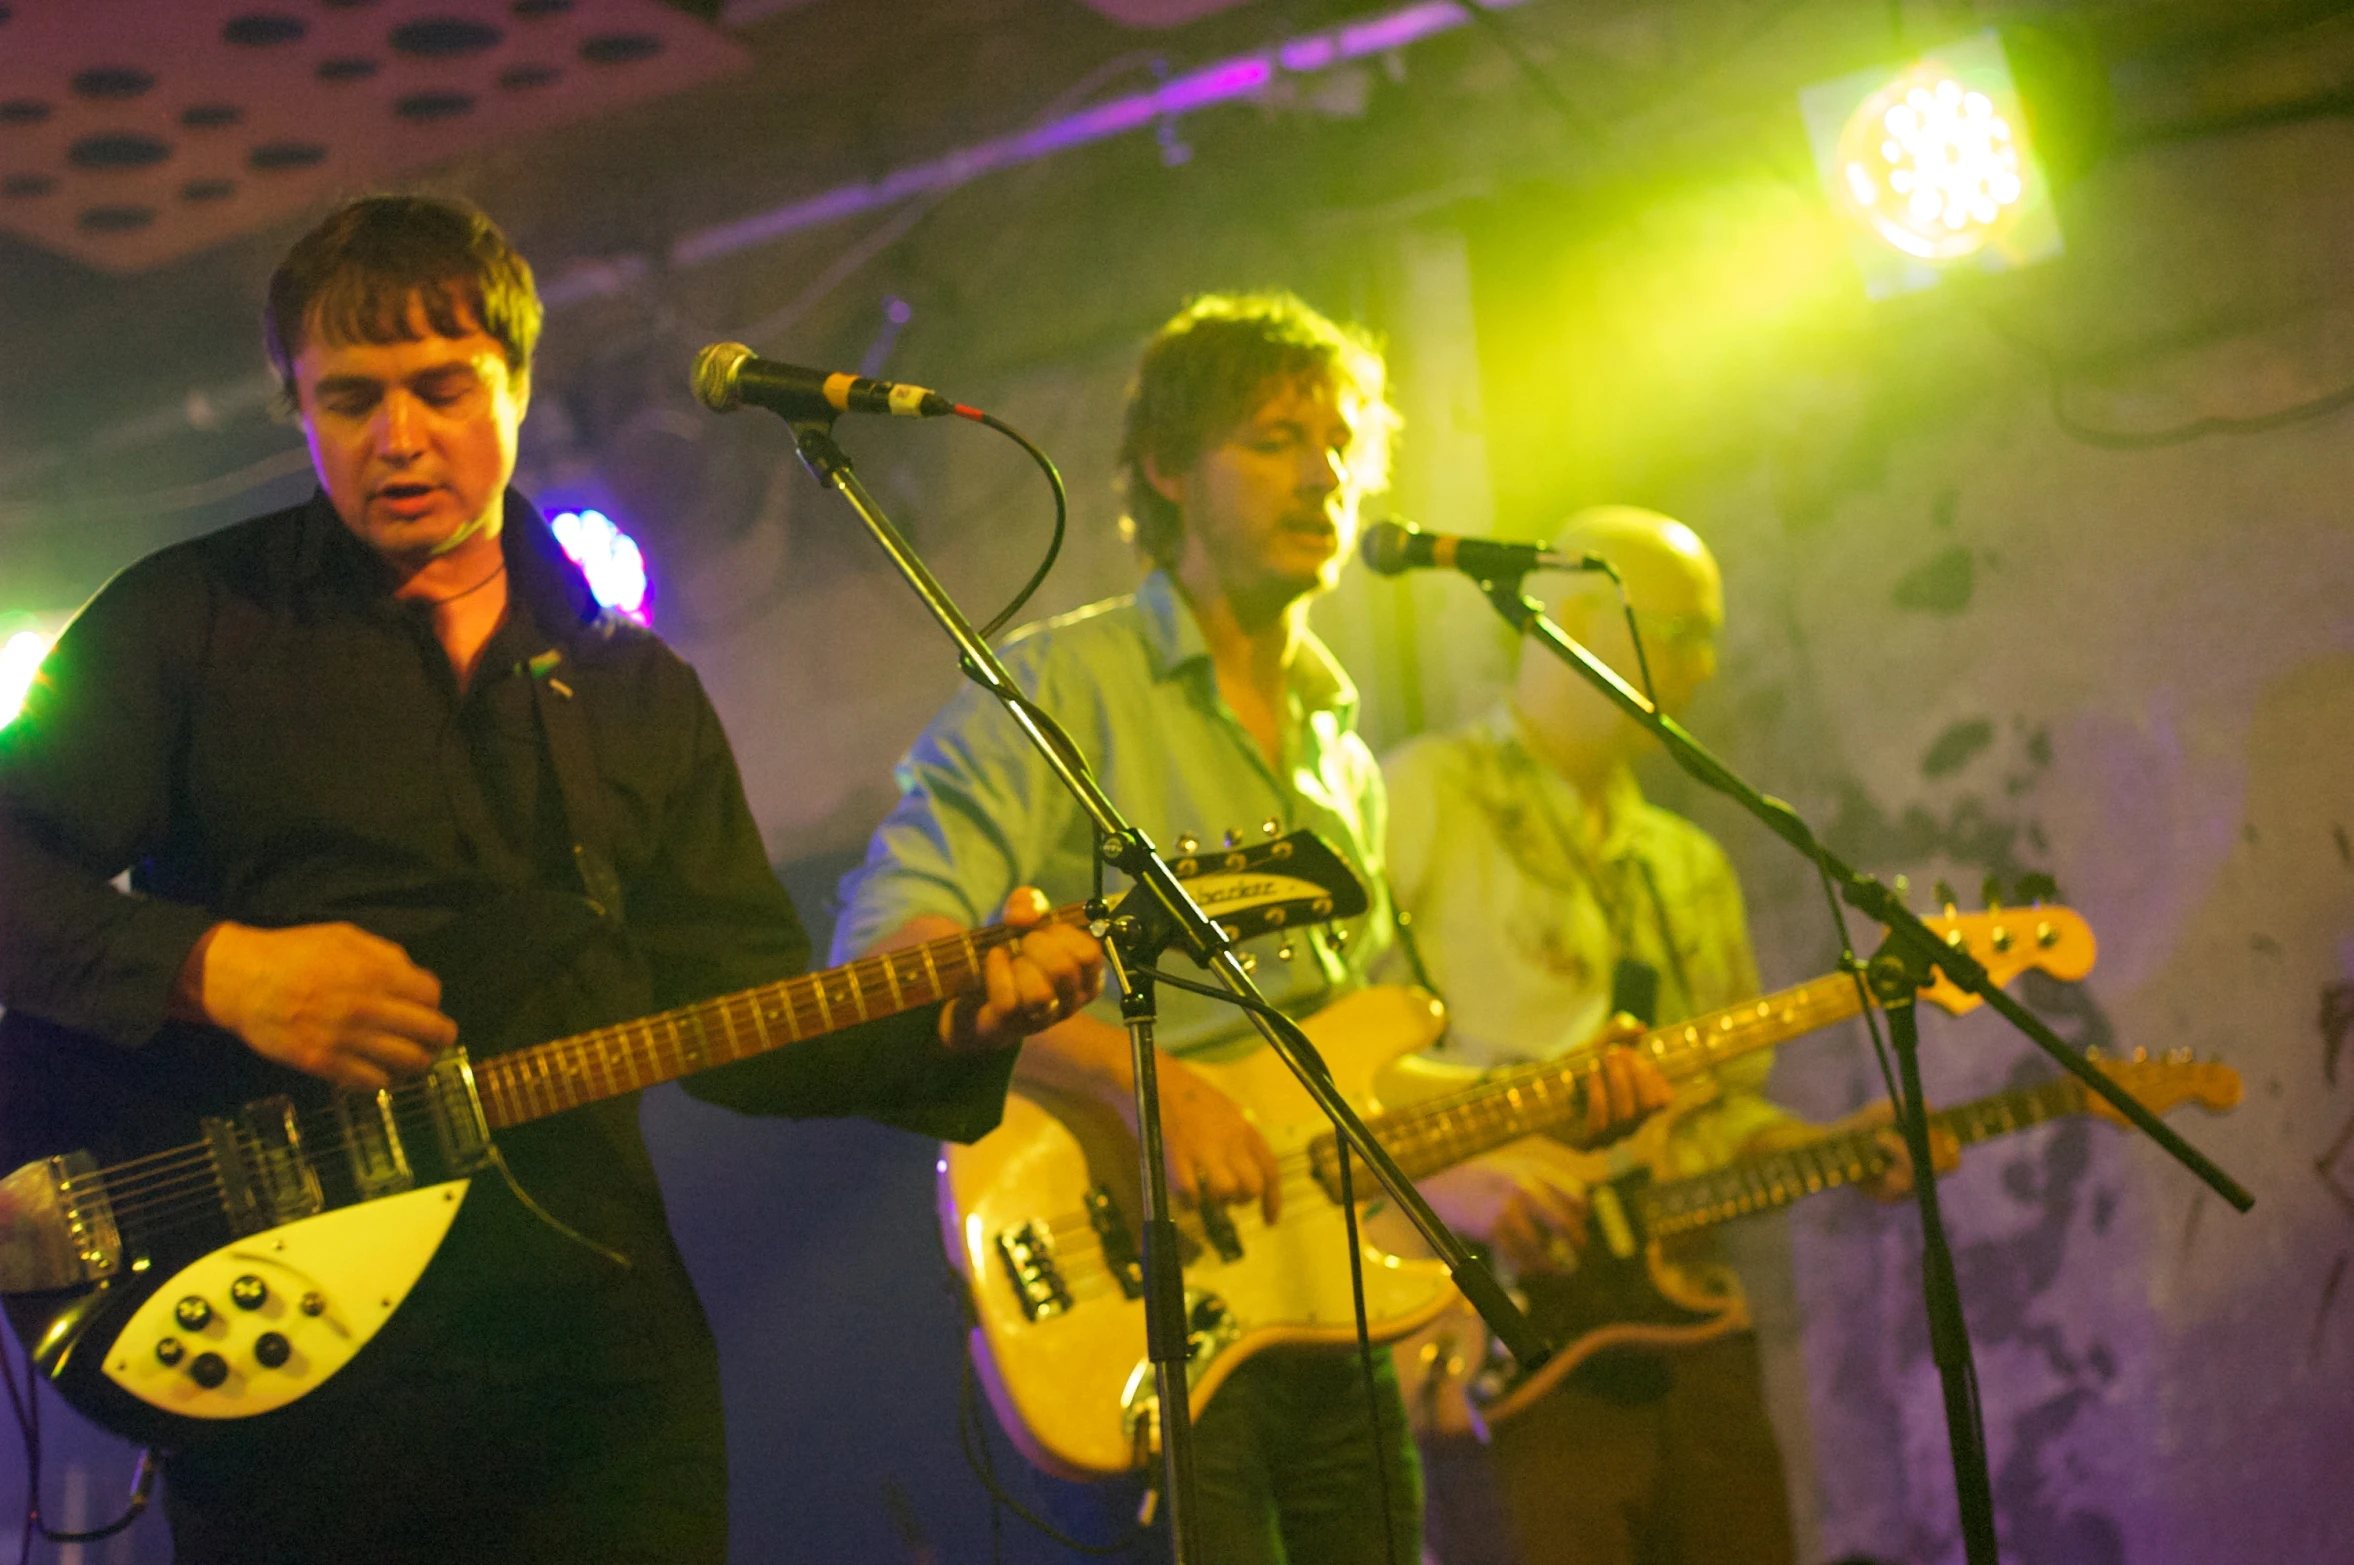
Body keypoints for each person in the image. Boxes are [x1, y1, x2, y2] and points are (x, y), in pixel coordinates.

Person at [0, 193, 1100, 1564]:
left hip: (590, 1364)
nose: (398, 437)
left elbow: (738, 1020)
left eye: (441, 388)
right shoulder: (193, 623)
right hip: (296, 1377)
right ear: (293, 406)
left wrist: (948, 1019)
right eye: (351, 399)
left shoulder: (631, 689)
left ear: (518, 384)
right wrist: (213, 967)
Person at [831, 293, 1664, 1565]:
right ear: (1167, 467)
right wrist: (1139, 1082)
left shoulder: (1345, 754)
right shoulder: (1056, 688)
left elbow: (1348, 1068)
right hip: (1135, 1301)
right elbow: (888, 958)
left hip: (1331, 1310)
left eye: (1338, 443)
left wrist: (1543, 1099)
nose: (1320, 472)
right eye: (1274, 437)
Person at [1385, 506, 1951, 1565]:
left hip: (1682, 1323)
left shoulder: (1685, 859)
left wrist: (1819, 1146)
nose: (1699, 667)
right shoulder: (1421, 792)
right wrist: (1437, 1210)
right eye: (1681, 632)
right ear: (1585, 617)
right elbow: (1335, 1059)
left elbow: (1715, 1106)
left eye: (1708, 640)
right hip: (1500, 1323)